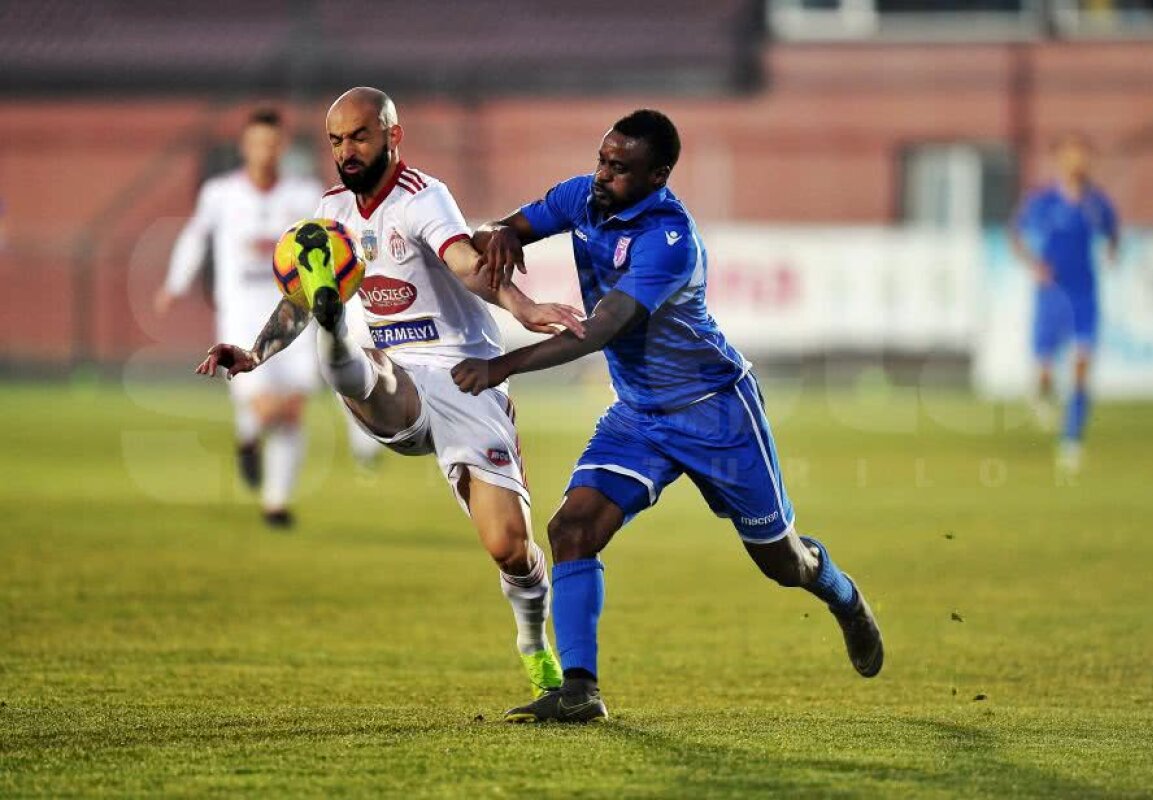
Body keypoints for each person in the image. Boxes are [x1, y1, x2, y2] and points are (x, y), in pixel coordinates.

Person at [454, 109, 884, 723]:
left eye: (620, 168)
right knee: (572, 528)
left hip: (716, 414)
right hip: (639, 415)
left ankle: (842, 594)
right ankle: (579, 689)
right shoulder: (582, 197)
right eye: (602, 159)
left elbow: (602, 328)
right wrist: (499, 231)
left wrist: (502, 366)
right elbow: (510, 228)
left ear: (658, 176)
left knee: (782, 563)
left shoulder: (669, 241)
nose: (603, 175)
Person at [196, 87, 585, 698]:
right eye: (335, 140)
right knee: (361, 362)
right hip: (396, 377)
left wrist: (524, 307)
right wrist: (255, 352)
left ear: (392, 136)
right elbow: (298, 300)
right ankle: (337, 338)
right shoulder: (330, 213)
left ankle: (533, 642)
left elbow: (467, 264)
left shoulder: (423, 197)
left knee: (510, 548)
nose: (346, 151)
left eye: (359, 136)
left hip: (465, 377)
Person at [157, 108, 325, 528]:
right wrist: (175, 284)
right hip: (241, 317)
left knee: (293, 410)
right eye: (258, 142)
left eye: (273, 142)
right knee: (267, 408)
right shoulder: (220, 194)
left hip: (293, 314)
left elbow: (331, 247)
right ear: (245, 147)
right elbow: (196, 236)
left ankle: (276, 503)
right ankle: (249, 436)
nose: (266, 150)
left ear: (283, 147)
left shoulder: (306, 195)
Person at [1010, 132, 1120, 472]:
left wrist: (1112, 251)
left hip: (1084, 293)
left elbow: (1112, 231)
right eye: (1072, 155)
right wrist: (1035, 265)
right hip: (1052, 295)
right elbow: (1015, 235)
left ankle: (1071, 440)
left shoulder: (1096, 203)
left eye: (1083, 155)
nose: (1078, 161)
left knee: (1082, 367)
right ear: (1060, 161)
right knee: (1045, 369)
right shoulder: (1044, 201)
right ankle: (1041, 391)